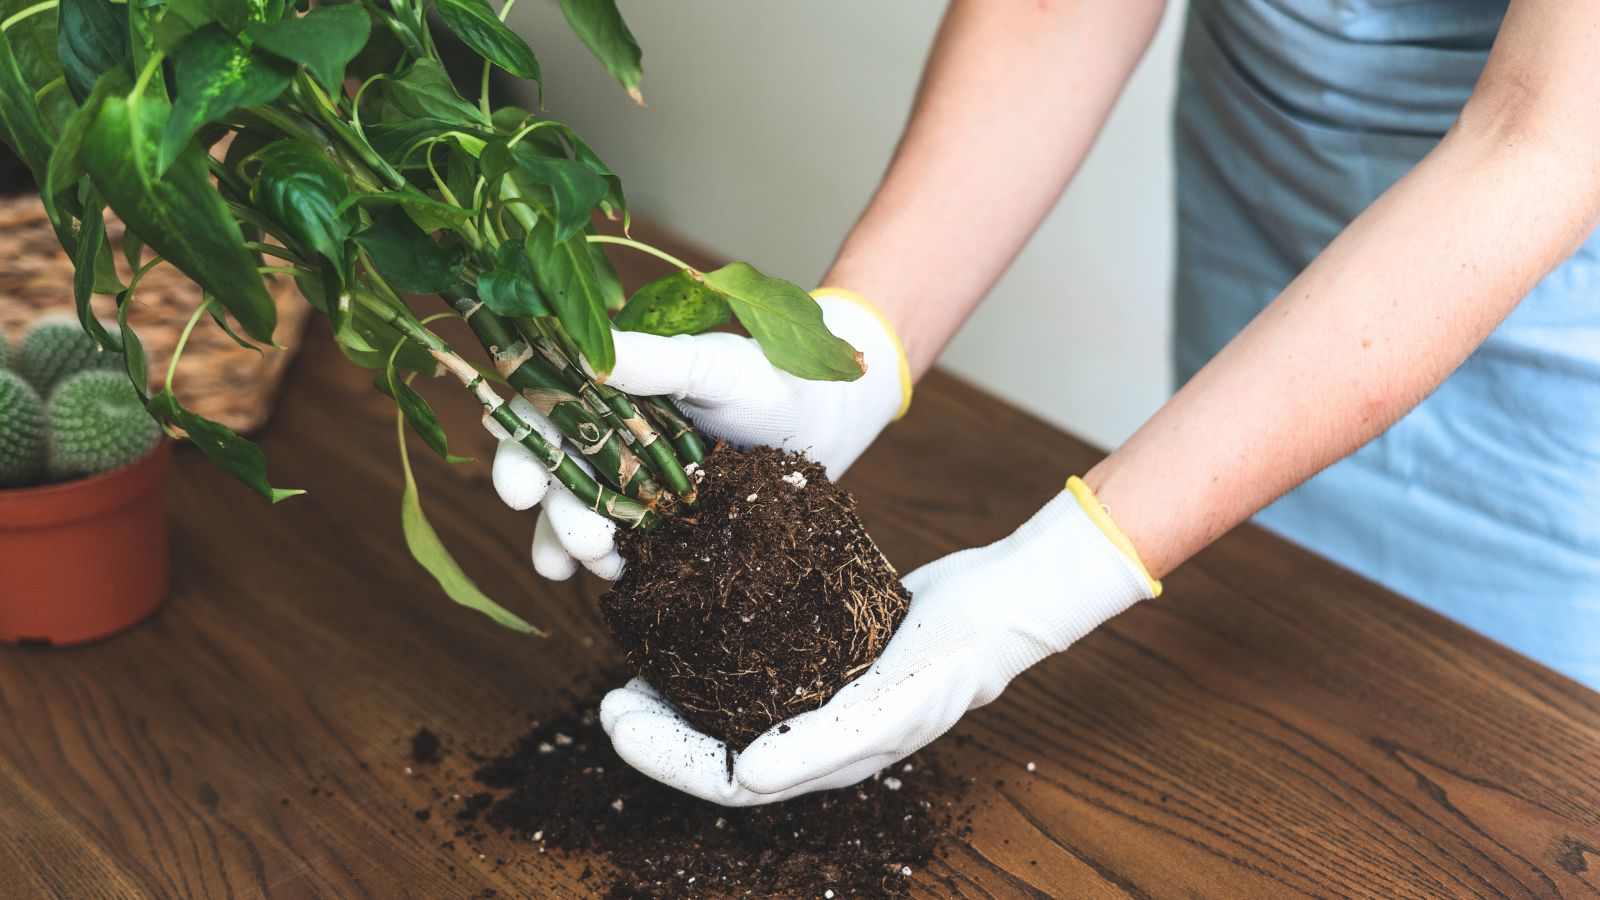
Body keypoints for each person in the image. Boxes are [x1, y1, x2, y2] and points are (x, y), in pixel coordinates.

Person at [488, 0, 1600, 805]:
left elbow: (1537, 141)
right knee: (1256, 628)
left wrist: (1060, 572)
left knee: (1506, 759)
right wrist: (861, 341)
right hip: (1272, 209)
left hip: (1556, 334)